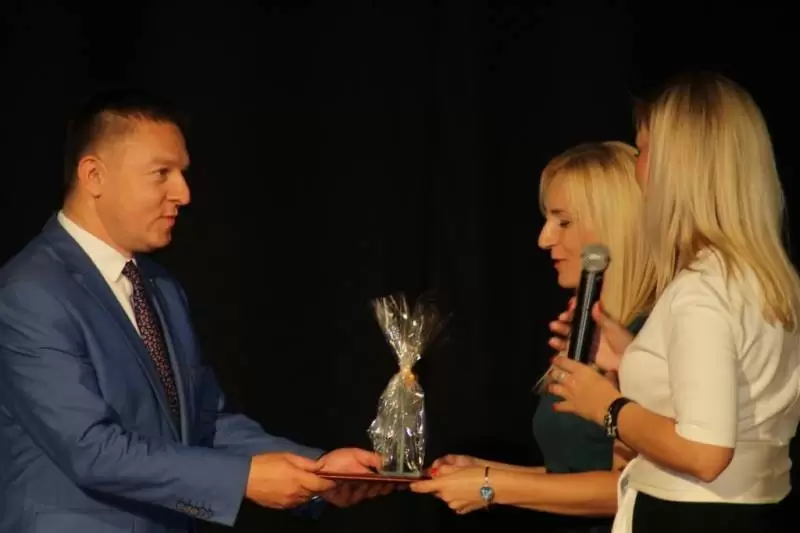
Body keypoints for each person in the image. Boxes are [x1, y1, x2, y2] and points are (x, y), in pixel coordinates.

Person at [0, 90, 387, 533]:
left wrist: (318, 471)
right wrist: (243, 480)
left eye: (183, 173)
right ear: (94, 176)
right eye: (161, 173)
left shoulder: (160, 287)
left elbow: (203, 423)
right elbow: (91, 449)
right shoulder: (29, 293)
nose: (183, 193)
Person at [548, 72, 800, 533]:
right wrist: (630, 354)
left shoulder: (703, 290)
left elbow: (705, 454)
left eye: (643, 152)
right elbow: (733, 400)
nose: (637, 169)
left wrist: (606, 405)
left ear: (677, 168)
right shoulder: (763, 278)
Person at [410, 141, 656, 532]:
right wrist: (484, 471)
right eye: (547, 220)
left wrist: (492, 487)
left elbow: (629, 487)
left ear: (615, 226)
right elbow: (578, 473)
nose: (544, 239)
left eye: (564, 222)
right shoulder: (591, 337)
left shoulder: (647, 339)